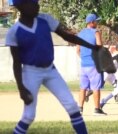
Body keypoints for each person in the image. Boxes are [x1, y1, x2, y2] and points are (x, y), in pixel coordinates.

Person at [5, 0, 99, 133]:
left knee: (72, 106)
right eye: (32, 3)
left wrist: (93, 47)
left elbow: (67, 36)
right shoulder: (14, 32)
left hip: (50, 70)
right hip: (31, 72)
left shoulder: (44, 19)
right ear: (20, 6)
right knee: (28, 116)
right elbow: (16, 63)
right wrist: (21, 88)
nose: (37, 5)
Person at [77, 13, 106, 115]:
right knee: (95, 87)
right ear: (91, 22)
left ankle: (80, 108)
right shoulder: (96, 32)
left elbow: (78, 50)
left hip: (84, 65)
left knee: (83, 87)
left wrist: (85, 58)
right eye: (96, 21)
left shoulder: (80, 33)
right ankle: (97, 109)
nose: (97, 23)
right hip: (94, 65)